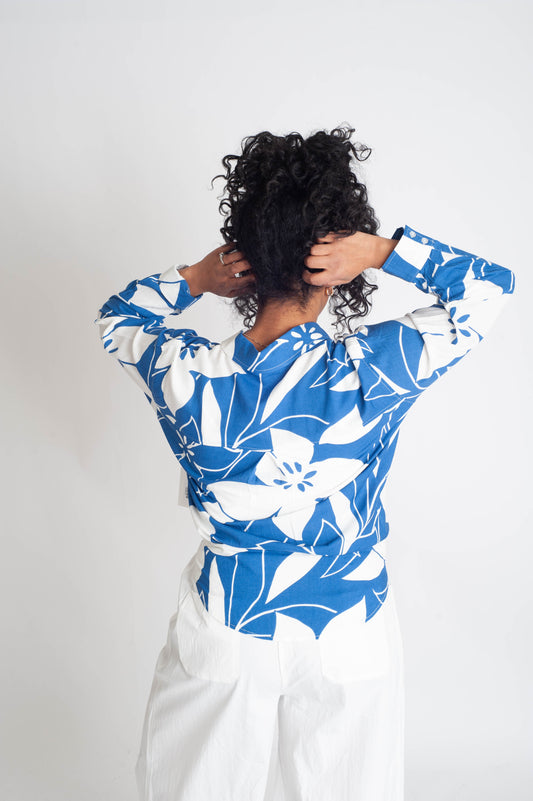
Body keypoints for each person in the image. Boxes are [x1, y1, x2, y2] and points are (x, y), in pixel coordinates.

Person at [94, 127, 516, 801]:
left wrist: (200, 276)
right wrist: (380, 253)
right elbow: (488, 289)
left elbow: (117, 318)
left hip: (230, 621)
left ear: (251, 257)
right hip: (348, 622)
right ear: (333, 261)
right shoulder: (372, 368)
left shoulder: (188, 372)